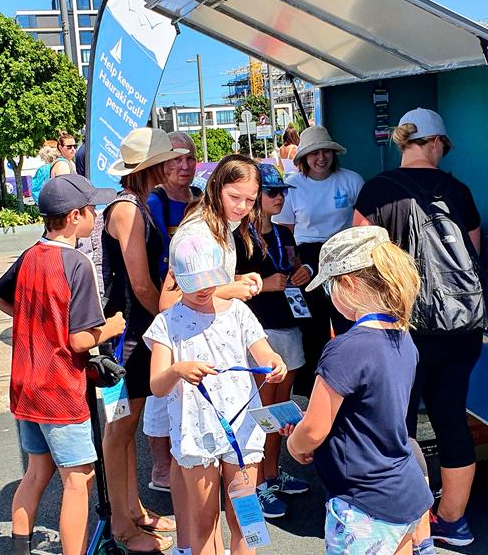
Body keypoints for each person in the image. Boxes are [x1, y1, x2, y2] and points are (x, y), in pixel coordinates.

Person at [353, 108, 485, 547]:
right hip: (459, 327)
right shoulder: (458, 191)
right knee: (451, 417)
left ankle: (409, 520)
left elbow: (359, 263)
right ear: (433, 142)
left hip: (402, 326)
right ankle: (454, 521)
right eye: (442, 146)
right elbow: (474, 257)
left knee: (399, 424)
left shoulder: (375, 191)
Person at [0, 174, 125, 555]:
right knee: (78, 478)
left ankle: (20, 548)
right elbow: (80, 339)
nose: (96, 215)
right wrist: (111, 326)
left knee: (36, 471)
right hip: (61, 389)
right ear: (76, 216)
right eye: (92, 209)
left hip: (26, 385)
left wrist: (37, 324)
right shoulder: (76, 262)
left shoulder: (32, 253)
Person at [281, 226, 433, 555]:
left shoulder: (346, 349)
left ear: (347, 284)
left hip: (363, 503)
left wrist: (296, 444)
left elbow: (313, 429)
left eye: (329, 288)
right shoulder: (403, 336)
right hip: (402, 489)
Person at [146, 232, 287, 555]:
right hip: (196, 430)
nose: (203, 290)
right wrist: (177, 371)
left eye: (209, 281)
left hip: (242, 430)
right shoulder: (167, 323)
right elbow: (157, 384)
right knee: (204, 518)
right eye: (193, 284)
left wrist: (274, 363)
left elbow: (263, 352)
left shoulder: (237, 311)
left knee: (244, 517)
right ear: (177, 280)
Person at [101, 127, 188, 553]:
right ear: (151, 166)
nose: (174, 165)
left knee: (128, 426)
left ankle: (132, 510)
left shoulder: (136, 204)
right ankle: (121, 524)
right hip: (127, 337)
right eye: (166, 159)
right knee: (120, 430)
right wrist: (172, 321)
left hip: (133, 331)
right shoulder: (129, 209)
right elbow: (139, 283)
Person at [234, 163, 312, 518]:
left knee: (282, 411)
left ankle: (273, 475)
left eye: (283, 191)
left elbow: (297, 265)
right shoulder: (238, 237)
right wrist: (265, 284)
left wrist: (304, 271)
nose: (280, 197)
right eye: (273, 192)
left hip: (289, 325)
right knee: (261, 412)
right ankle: (258, 486)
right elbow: (224, 283)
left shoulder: (284, 233)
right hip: (259, 331)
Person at [273, 125, 364, 395]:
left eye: (326, 151)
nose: (320, 158)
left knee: (349, 325)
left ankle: (353, 385)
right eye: (314, 153)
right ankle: (313, 392)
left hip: (346, 259)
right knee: (312, 331)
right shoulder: (293, 185)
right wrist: (296, 266)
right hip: (307, 259)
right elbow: (286, 232)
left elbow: (363, 225)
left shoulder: (352, 180)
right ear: (303, 158)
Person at [144, 131, 200, 493]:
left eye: (189, 158)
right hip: (164, 308)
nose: (183, 165)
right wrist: (160, 315)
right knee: (160, 391)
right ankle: (161, 468)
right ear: (161, 164)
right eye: (175, 159)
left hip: (199, 304)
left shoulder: (202, 199)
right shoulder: (154, 202)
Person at [160, 154, 265, 310]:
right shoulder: (196, 234)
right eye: (234, 196)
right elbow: (170, 302)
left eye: (250, 200)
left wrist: (236, 280)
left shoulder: (222, 223)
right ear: (216, 188)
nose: (242, 206)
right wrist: (230, 290)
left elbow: (203, 284)